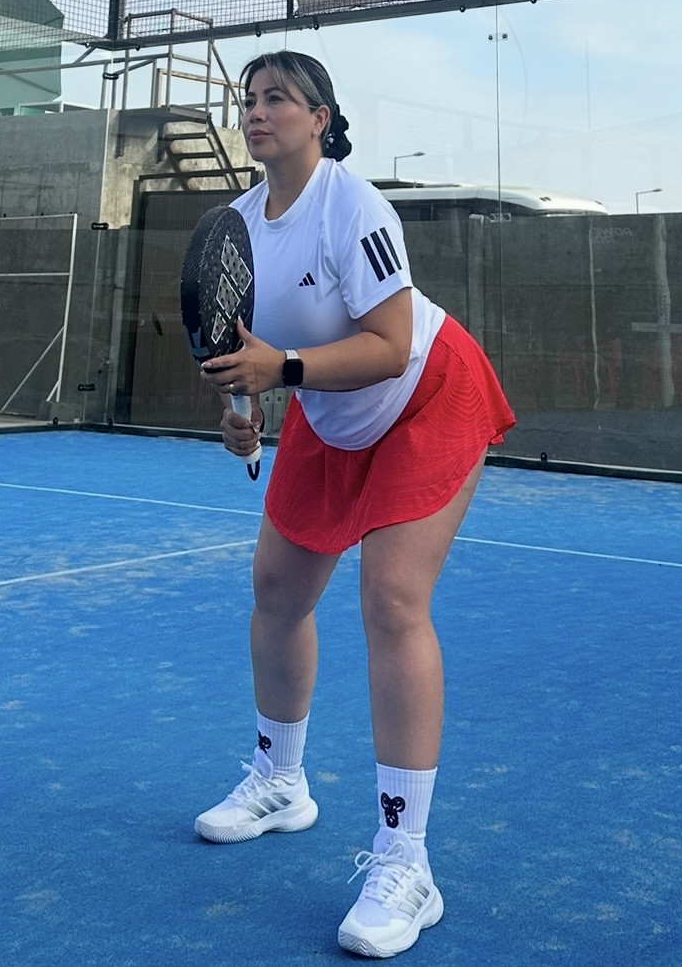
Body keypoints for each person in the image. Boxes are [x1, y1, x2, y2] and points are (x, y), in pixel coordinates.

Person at [193, 50, 515, 959]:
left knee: (392, 601)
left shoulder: (355, 207)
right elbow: (243, 348)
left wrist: (283, 371)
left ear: (321, 119)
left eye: (277, 98)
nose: (257, 112)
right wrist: (243, 413)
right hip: (328, 411)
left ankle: (406, 861)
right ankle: (279, 781)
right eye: (248, 99)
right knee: (276, 589)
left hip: (424, 397)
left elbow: (389, 341)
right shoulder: (234, 228)